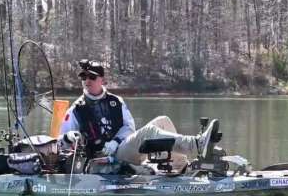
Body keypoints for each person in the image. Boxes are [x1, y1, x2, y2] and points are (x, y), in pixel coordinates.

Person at [59, 59, 218, 168]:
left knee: (163, 121)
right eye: (83, 77)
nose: (87, 81)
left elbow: (129, 128)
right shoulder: (75, 110)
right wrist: (68, 137)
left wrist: (115, 141)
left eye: (92, 77)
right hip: (102, 158)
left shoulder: (116, 102)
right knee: (148, 132)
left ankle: (180, 166)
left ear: (102, 80)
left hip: (120, 148)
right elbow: (61, 144)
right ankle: (196, 144)